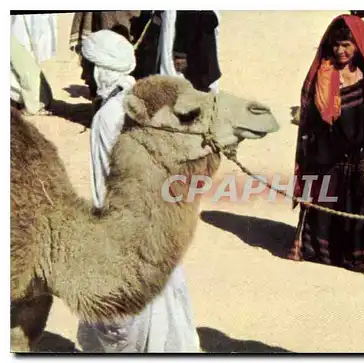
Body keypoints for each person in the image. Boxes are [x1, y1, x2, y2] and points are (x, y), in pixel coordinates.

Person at [75, 29, 200, 353]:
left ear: (101, 69)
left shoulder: (109, 116)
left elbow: (111, 182)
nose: (82, 74)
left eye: (86, 66)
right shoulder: (141, 103)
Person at [288, 15, 364, 276]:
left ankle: (362, 261)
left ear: (359, 46)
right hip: (328, 148)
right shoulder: (323, 74)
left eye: (347, 45)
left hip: (362, 148)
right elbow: (309, 118)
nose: (340, 51)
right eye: (336, 45)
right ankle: (314, 251)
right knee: (324, 197)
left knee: (362, 199)